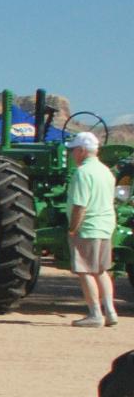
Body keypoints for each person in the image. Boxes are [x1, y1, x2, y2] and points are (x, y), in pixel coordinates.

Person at [66, 131, 118, 327]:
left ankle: (95, 313)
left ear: (81, 151)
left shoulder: (82, 173)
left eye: (73, 151)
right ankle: (110, 311)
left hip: (88, 226)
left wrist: (73, 228)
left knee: (85, 270)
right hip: (105, 226)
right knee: (101, 270)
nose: (72, 155)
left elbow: (80, 205)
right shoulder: (106, 171)